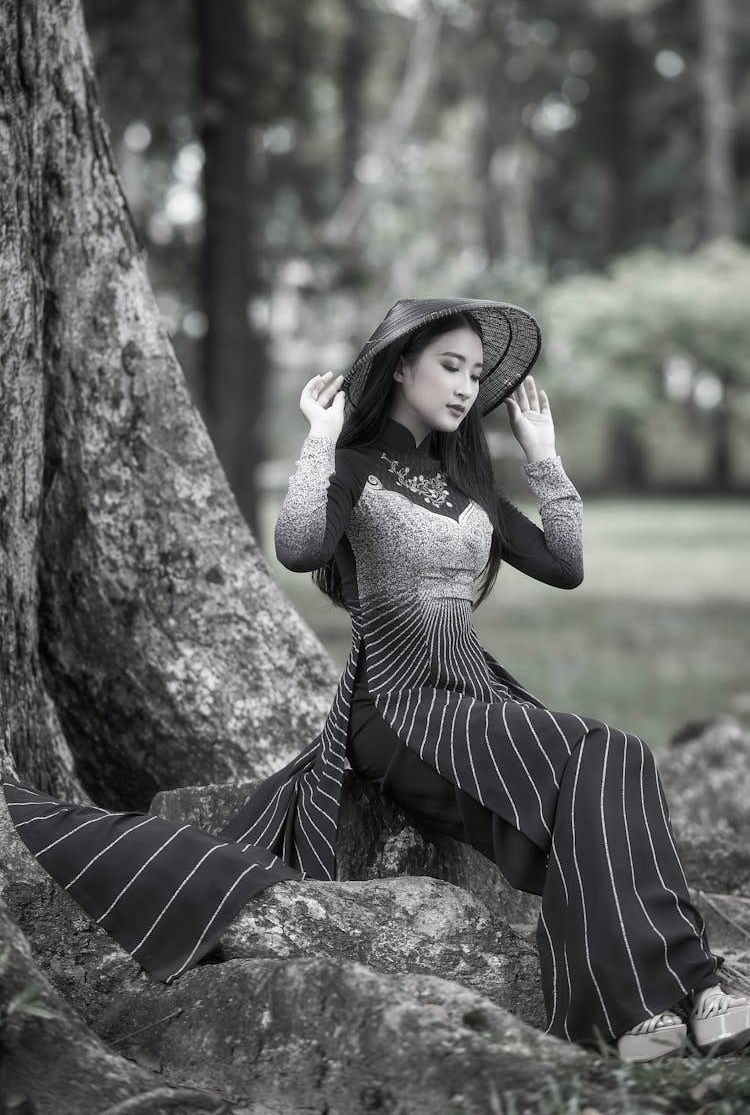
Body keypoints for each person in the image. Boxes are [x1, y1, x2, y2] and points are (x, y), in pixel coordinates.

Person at [2, 296, 748, 1064]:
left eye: (475, 373)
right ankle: (663, 996)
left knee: (618, 754)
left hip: (474, 699)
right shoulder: (354, 467)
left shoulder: (466, 486)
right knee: (602, 749)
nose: (465, 386)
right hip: (393, 707)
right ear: (400, 367)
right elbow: (297, 545)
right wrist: (320, 442)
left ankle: (669, 999)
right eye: (449, 367)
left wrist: (543, 455)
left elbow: (565, 563)